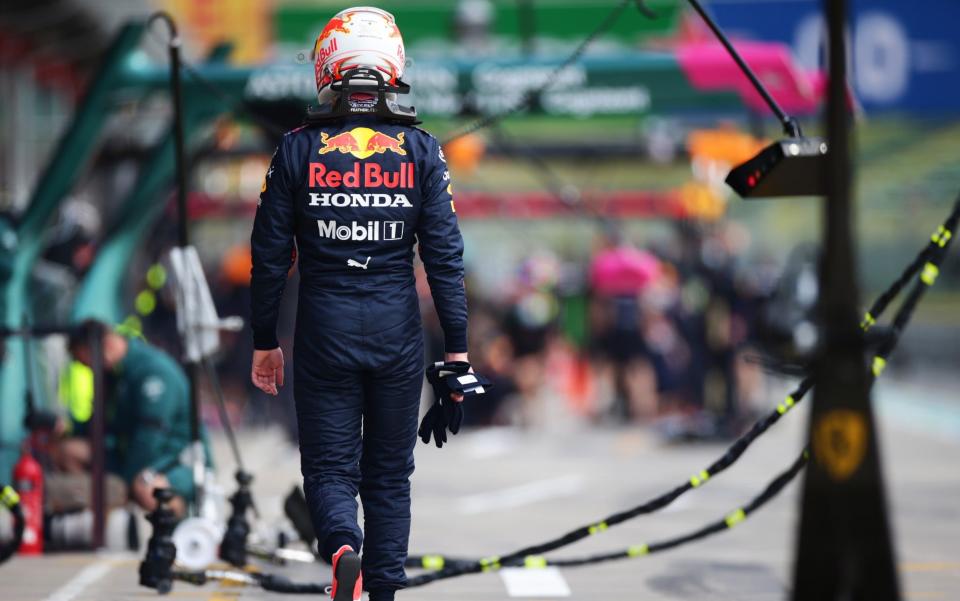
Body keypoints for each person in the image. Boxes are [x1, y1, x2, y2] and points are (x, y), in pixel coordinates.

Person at [249, 7, 469, 601]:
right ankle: (384, 593)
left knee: (327, 470)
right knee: (390, 479)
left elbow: (268, 257)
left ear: (329, 64)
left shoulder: (295, 149)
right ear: (393, 65)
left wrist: (264, 341)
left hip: (323, 331)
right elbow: (445, 259)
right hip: (399, 333)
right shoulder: (424, 150)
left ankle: (344, 548)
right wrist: (458, 353)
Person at [61, 320, 209, 517]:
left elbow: (150, 440)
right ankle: (95, 523)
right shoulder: (114, 373)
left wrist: (126, 482)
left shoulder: (153, 371)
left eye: (88, 362)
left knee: (147, 489)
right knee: (68, 451)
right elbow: (102, 424)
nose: (90, 369)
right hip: (130, 454)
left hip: (176, 459)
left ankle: (180, 532)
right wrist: (67, 428)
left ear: (108, 345)